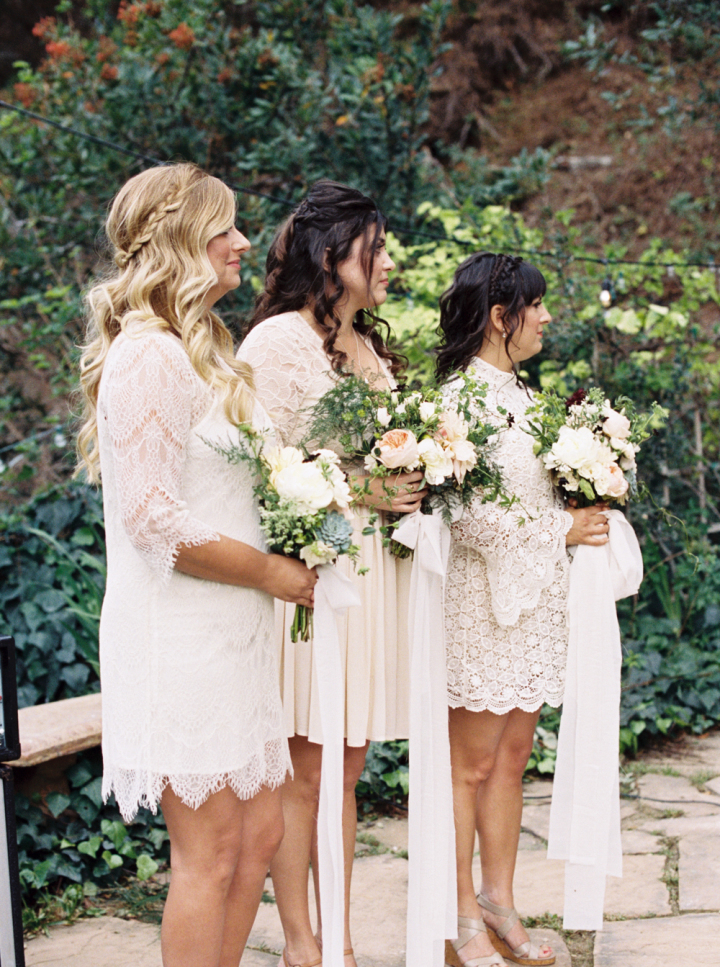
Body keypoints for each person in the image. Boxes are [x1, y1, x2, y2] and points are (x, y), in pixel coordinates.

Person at [76, 163, 317, 967]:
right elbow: (150, 517)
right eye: (226, 228)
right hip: (178, 638)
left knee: (261, 835)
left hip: (233, 637)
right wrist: (271, 573)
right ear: (179, 240)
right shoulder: (148, 357)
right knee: (210, 851)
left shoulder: (203, 349)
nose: (245, 242)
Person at [239, 181, 426, 967]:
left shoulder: (366, 347)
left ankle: (341, 933)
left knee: (344, 771)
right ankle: (304, 944)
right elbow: (264, 471)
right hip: (312, 580)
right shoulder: (276, 344)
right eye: (374, 247)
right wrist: (363, 489)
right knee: (306, 772)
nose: (388, 262)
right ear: (329, 256)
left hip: (369, 581)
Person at [436, 252, 610, 967]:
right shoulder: (456, 403)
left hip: (536, 606)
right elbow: (467, 519)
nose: (544, 316)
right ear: (498, 317)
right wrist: (561, 530)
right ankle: (456, 919)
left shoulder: (529, 399)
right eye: (533, 305)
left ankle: (500, 899)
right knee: (468, 766)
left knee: (510, 761)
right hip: (479, 606)